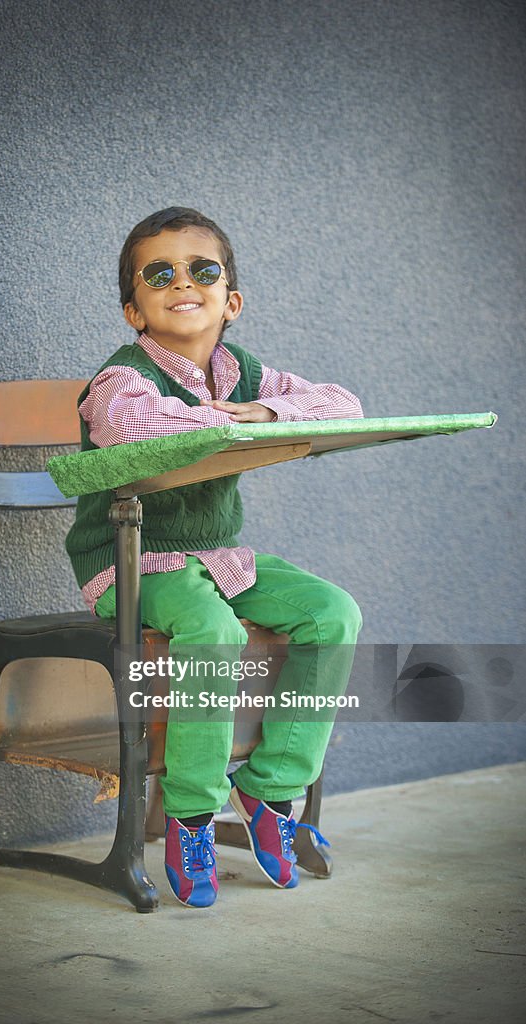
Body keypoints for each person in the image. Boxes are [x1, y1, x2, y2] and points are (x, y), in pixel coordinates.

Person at [66, 207, 363, 908]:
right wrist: (218, 416)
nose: (182, 283)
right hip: (129, 560)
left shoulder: (242, 373)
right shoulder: (120, 378)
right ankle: (191, 814)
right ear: (134, 311)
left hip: (215, 555)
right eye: (158, 274)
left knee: (330, 613)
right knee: (214, 632)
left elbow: (341, 404)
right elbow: (134, 426)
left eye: (202, 270)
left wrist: (264, 413)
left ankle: (267, 791)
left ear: (230, 300)